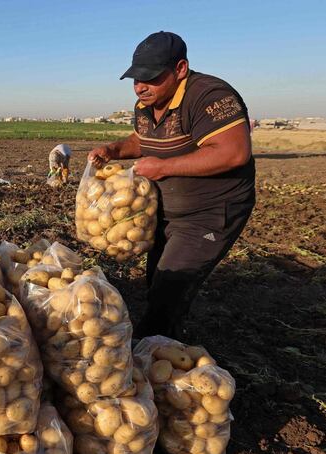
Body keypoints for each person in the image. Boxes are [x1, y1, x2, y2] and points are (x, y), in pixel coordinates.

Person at [88, 31, 255, 340]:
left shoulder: (210, 96)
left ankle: (158, 354)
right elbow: (143, 140)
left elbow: (234, 153)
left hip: (210, 211)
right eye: (136, 79)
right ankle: (160, 341)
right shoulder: (145, 104)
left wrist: (163, 167)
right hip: (167, 211)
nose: (141, 87)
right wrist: (113, 150)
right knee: (157, 278)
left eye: (150, 78)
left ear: (180, 69)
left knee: (171, 288)